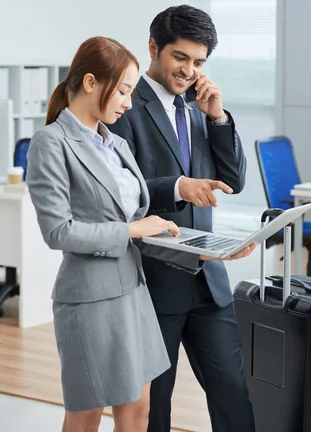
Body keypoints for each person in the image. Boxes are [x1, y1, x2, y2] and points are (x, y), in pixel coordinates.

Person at [26, 36, 206, 432]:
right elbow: (58, 232)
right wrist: (132, 228)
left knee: (139, 410)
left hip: (133, 291)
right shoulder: (50, 143)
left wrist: (194, 251)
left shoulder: (117, 144)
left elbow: (140, 226)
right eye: (123, 90)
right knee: (85, 415)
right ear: (91, 82)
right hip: (89, 298)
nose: (128, 102)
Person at [107, 5, 256, 432]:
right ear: (153, 48)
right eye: (180, 58)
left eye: (199, 62)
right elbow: (119, 193)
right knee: (155, 407)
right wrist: (176, 186)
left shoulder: (198, 108)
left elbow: (234, 179)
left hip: (208, 281)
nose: (189, 70)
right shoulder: (125, 108)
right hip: (153, 282)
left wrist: (219, 117)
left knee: (233, 395)